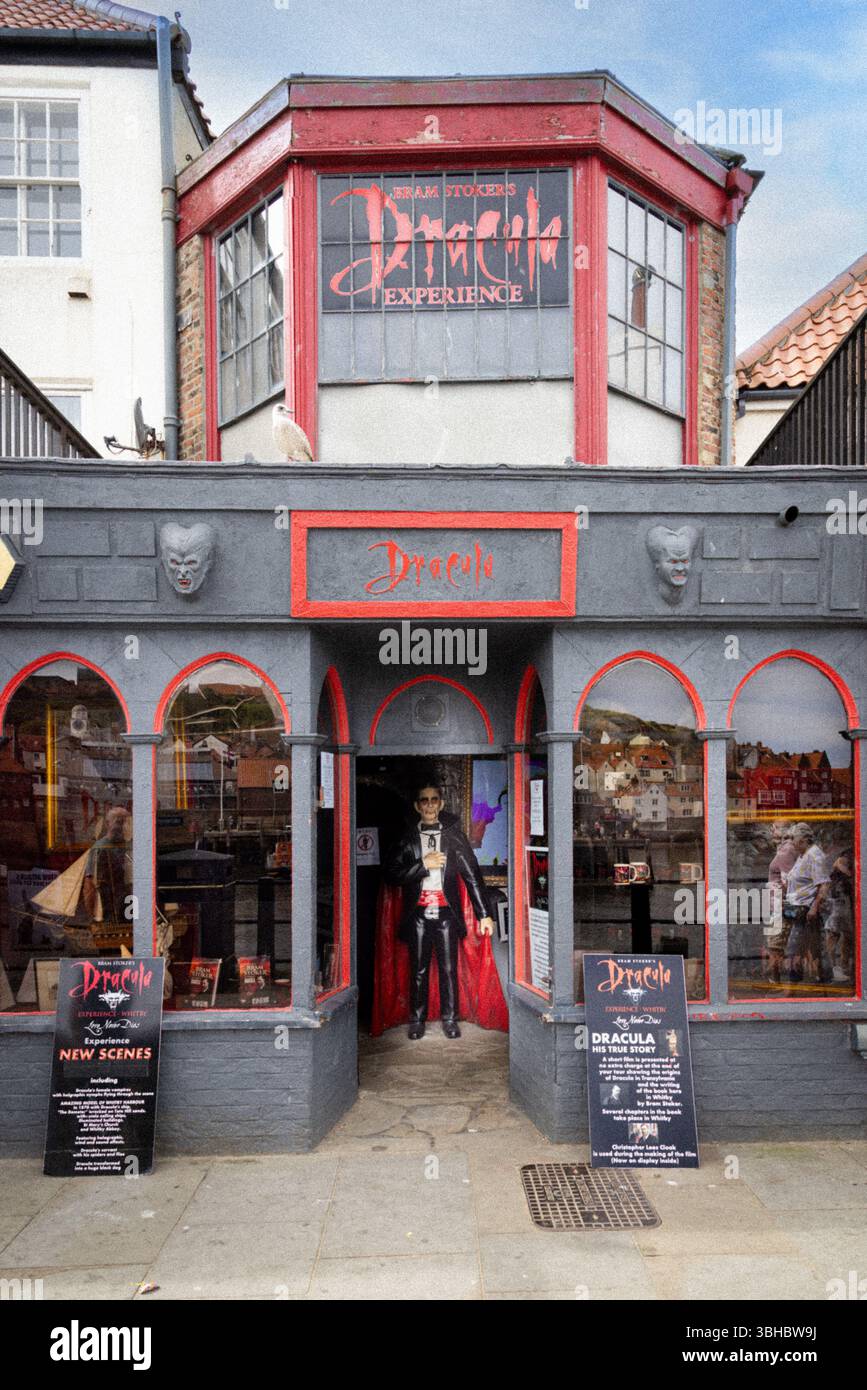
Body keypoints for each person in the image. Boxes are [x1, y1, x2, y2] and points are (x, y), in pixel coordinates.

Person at [384, 782, 494, 1040]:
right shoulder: (407, 837)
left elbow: (472, 875)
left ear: (441, 804)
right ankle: (417, 1019)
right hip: (419, 914)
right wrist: (423, 864)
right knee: (419, 970)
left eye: (435, 800)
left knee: (448, 969)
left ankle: (450, 1019)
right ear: (417, 806)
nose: (430, 805)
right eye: (425, 800)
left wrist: (484, 914)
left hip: (446, 913)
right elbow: (391, 874)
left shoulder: (454, 836)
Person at [783, 823, 830, 985]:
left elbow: (823, 884)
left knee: (794, 949)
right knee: (810, 948)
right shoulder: (803, 855)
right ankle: (821, 980)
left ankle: (791, 990)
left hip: (806, 911)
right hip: (798, 910)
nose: (791, 842)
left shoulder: (815, 855)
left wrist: (814, 907)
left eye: (793, 839)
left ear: (803, 840)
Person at [82, 806, 132, 925]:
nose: (121, 826)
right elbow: (90, 885)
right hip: (109, 909)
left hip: (129, 907)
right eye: (118, 821)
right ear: (107, 823)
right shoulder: (100, 848)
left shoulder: (130, 846)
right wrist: (93, 916)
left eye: (125, 822)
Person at [765, 822, 798, 984]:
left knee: (775, 945)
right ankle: (777, 980)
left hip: (781, 906)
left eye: (775, 827)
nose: (772, 830)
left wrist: (784, 904)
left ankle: (776, 982)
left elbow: (788, 881)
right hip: (780, 904)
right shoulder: (786, 849)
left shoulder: (787, 850)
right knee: (776, 944)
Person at [823, 849, 853, 985]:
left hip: (841, 908)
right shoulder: (838, 879)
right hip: (838, 908)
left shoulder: (841, 880)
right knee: (835, 937)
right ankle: (836, 969)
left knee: (844, 938)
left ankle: (841, 968)